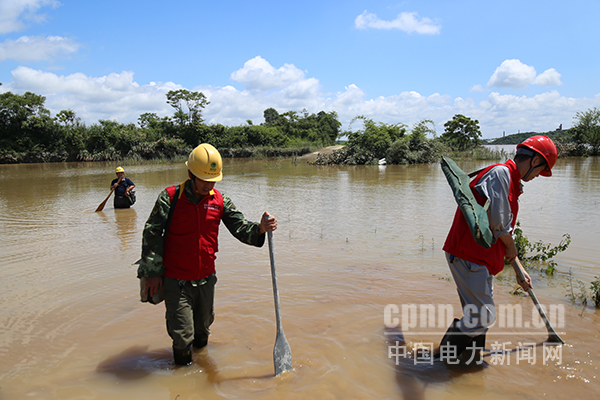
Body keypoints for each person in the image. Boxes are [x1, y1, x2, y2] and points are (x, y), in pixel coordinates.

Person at [137, 143, 277, 366]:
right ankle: (182, 374)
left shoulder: (220, 201)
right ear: (190, 174)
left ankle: (200, 369)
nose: (209, 184)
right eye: (204, 179)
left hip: (206, 279)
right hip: (176, 280)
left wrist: (260, 228)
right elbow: (151, 233)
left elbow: (240, 227)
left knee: (202, 331)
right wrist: (152, 272)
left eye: (213, 180)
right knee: (183, 335)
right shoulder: (170, 198)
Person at [438, 135, 558, 366]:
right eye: (540, 170)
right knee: (482, 318)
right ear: (534, 161)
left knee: (476, 316)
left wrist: (518, 268)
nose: (536, 177)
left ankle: (466, 363)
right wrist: (513, 250)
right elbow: (500, 226)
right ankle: (439, 363)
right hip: (469, 256)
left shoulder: (509, 179)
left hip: (478, 258)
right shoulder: (501, 174)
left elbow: (501, 231)